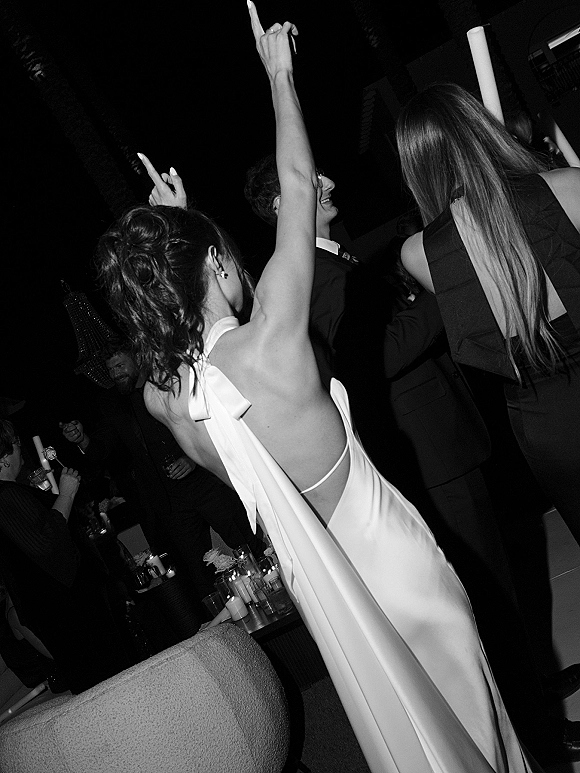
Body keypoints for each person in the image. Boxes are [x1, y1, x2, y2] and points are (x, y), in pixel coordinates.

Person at [95, 7, 539, 772]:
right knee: (473, 727)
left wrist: (178, 235)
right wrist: (278, 72)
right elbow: (296, 185)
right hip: (388, 558)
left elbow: (177, 339)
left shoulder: (168, 402)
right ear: (211, 266)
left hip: (329, 589)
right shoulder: (270, 339)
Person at [60, 338, 262, 605]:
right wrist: (82, 440)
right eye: (110, 370)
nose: (115, 373)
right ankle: (226, 626)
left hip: (204, 482)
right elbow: (103, 444)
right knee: (198, 571)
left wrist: (190, 459)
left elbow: (202, 423)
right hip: (168, 500)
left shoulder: (167, 381)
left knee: (246, 542)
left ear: (136, 359)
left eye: (120, 365)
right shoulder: (112, 403)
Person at [0, 420, 131, 693]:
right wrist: (67, 493)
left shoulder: (13, 493)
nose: (19, 447)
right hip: (69, 612)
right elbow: (47, 542)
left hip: (66, 609)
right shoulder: (6, 496)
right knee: (108, 684)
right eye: (14, 443)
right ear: (2, 457)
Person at [244, 154, 357, 388]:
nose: (329, 184)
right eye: (313, 179)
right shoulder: (311, 274)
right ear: (280, 205)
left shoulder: (332, 257)